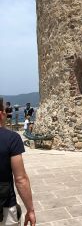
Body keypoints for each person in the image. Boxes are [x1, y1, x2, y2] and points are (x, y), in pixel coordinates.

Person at [0, 97, 36, 226]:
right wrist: (30, 210)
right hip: (5, 206)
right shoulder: (12, 138)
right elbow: (20, 179)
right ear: (1, 114)